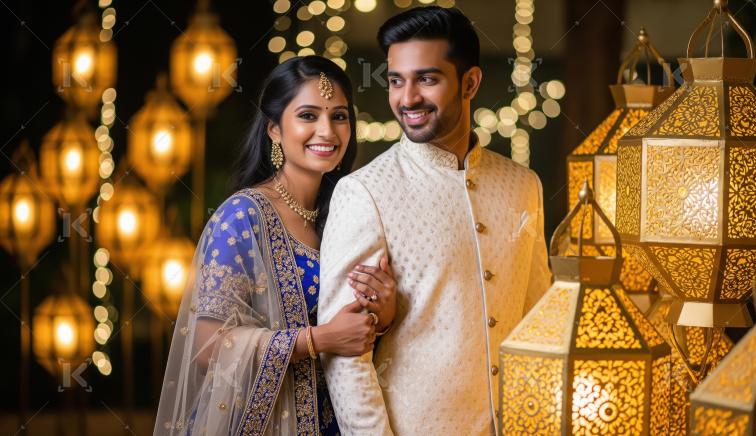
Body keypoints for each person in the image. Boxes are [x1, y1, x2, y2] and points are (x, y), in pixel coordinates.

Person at [318, 6, 551, 435]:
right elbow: (345, 356)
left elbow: (540, 322)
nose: (407, 99)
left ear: (471, 82)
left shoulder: (523, 185)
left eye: (426, 79)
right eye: (395, 81)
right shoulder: (364, 192)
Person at [155, 55, 397, 436]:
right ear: (274, 129)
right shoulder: (243, 217)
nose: (327, 132)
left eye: (338, 116)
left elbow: (354, 329)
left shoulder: (351, 213)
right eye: (307, 115)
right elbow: (207, 349)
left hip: (340, 418)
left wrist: (383, 316)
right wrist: (319, 339)